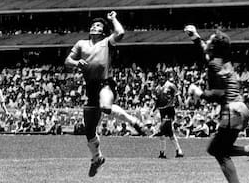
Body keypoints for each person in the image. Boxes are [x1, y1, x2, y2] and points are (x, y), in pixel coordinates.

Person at [65, 11, 145, 177]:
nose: (95, 26)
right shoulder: (81, 44)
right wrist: (75, 62)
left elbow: (120, 33)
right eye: (93, 25)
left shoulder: (107, 42)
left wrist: (113, 18)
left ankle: (133, 121)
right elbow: (67, 61)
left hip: (105, 83)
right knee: (89, 130)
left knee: (105, 106)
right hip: (90, 87)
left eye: (99, 25)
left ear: (103, 31)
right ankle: (97, 158)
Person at [184, 25, 249, 183]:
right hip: (242, 109)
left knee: (220, 153)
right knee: (217, 149)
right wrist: (195, 37)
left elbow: (219, 94)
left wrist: (198, 92)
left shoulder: (214, 64)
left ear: (213, 46)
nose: (207, 41)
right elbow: (206, 52)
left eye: (210, 40)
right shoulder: (223, 61)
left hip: (231, 111)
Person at [152, 73, 184, 158]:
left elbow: (177, 96)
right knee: (168, 133)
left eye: (163, 76)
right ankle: (176, 151)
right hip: (162, 111)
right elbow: (157, 101)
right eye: (160, 76)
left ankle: (164, 152)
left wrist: (179, 107)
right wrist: (154, 110)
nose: (161, 77)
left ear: (165, 77)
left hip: (169, 110)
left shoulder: (171, 85)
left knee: (162, 129)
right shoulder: (157, 88)